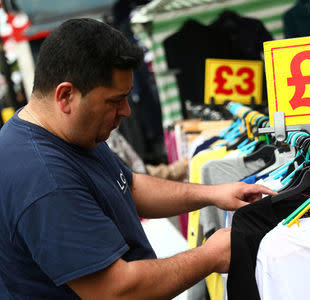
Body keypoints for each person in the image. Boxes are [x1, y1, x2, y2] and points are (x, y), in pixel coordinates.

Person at [0, 18, 275, 299]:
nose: (126, 111)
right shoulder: (43, 179)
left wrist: (214, 193)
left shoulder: (64, 129)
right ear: (66, 95)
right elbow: (116, 291)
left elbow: (127, 187)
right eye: (114, 100)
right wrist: (211, 255)